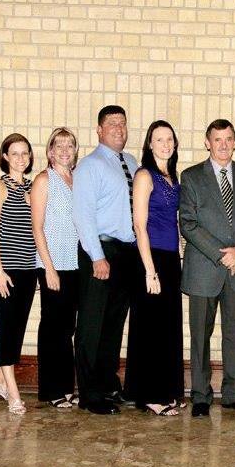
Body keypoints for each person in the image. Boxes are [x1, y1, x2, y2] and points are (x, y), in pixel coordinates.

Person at [179, 118, 235, 418]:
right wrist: (222, 255)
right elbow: (188, 223)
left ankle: (234, 394)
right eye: (217, 139)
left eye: (229, 138)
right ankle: (200, 396)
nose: (223, 144)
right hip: (203, 270)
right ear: (208, 143)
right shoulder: (191, 177)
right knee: (199, 338)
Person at [73, 105, 140, 415]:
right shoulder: (89, 166)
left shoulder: (132, 162)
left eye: (122, 123)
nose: (118, 128)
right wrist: (97, 257)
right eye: (112, 123)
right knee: (92, 325)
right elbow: (83, 215)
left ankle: (107, 384)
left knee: (113, 325)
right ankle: (89, 394)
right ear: (99, 130)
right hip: (99, 251)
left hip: (126, 253)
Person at [125, 120, 185, 416]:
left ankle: (167, 389)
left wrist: (180, 253)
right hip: (150, 259)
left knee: (168, 327)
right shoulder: (144, 175)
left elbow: (174, 220)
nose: (165, 144)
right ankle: (149, 395)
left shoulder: (172, 176)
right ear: (150, 144)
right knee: (150, 328)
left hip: (170, 259)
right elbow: (139, 224)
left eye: (169, 139)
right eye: (159, 139)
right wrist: (150, 270)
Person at [0, 133, 38, 415]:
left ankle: (0, 383)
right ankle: (13, 394)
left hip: (28, 269)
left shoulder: (32, 186)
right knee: (6, 328)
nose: (20, 158)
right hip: (3, 268)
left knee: (16, 329)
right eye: (14, 153)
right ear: (5, 156)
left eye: (25, 153)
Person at [31, 127, 80, 409]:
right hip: (53, 264)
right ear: (50, 152)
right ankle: (52, 390)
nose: (64, 150)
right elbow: (37, 228)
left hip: (75, 264)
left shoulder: (76, 179)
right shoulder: (43, 180)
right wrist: (48, 268)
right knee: (53, 327)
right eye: (58, 146)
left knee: (68, 327)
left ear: (75, 151)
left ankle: (66, 386)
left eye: (69, 145)